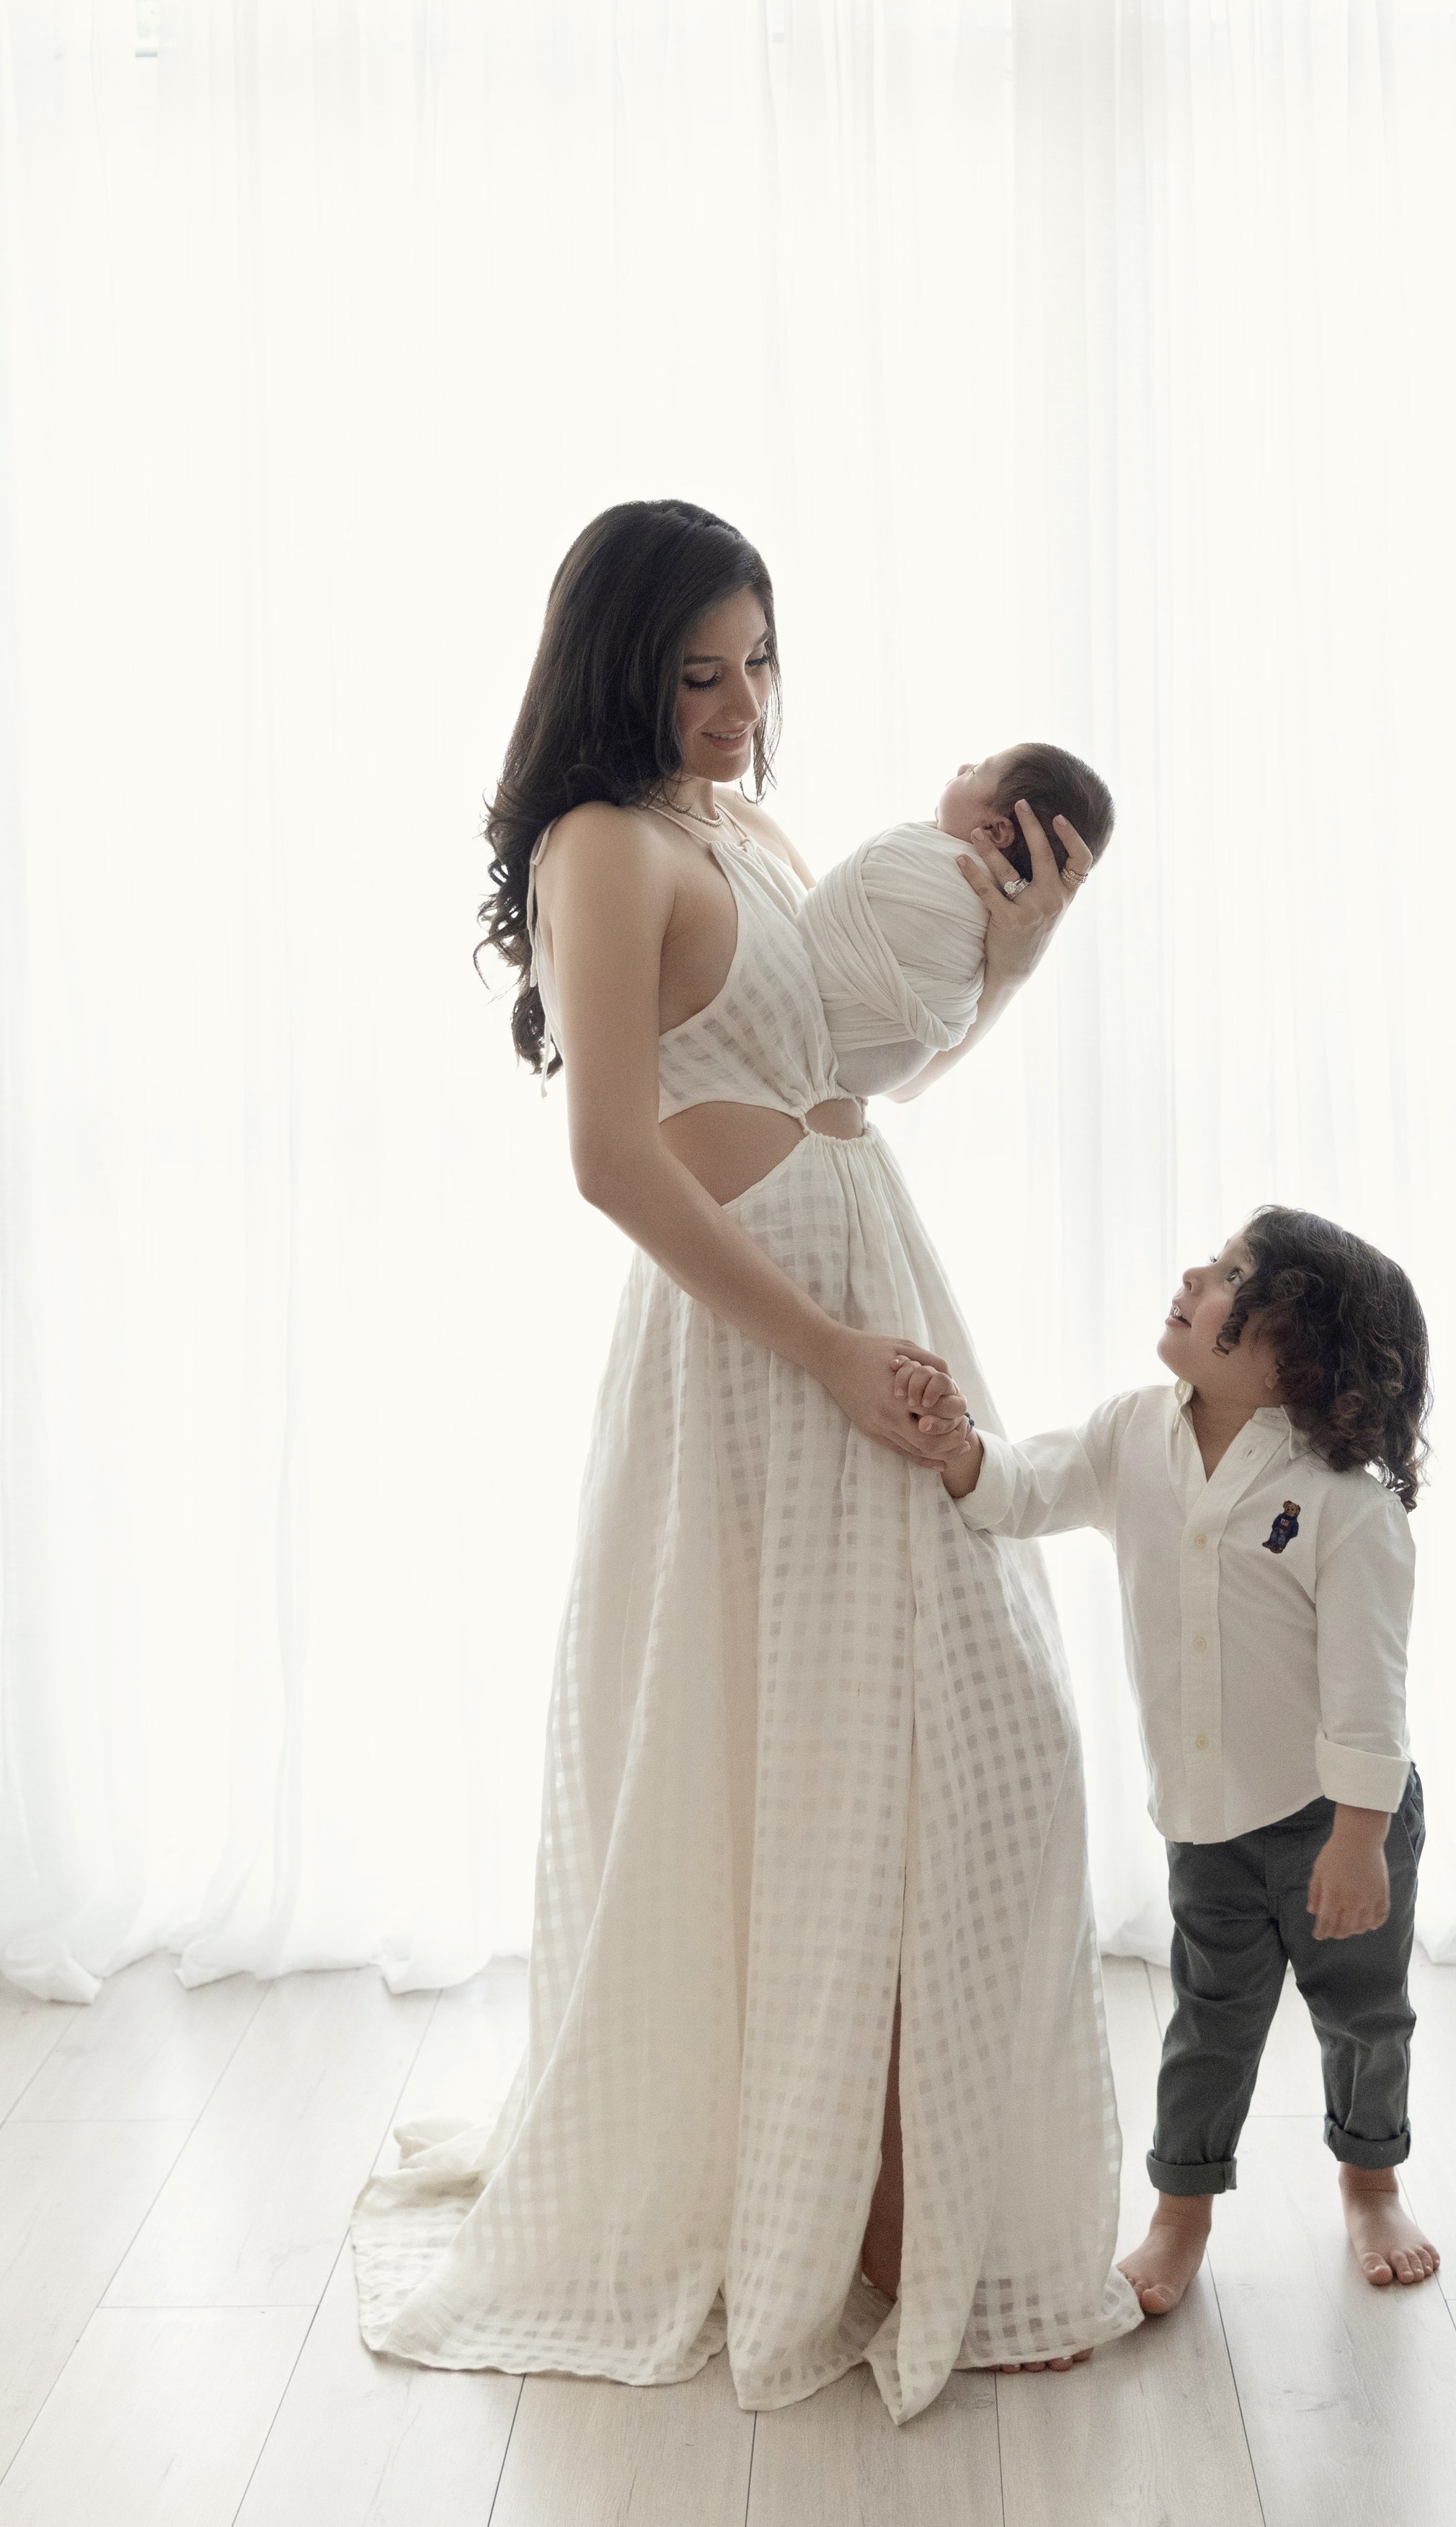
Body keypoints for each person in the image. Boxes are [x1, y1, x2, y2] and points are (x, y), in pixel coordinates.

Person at [349, 500, 1141, 2425]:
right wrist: (827, 1355)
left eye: (758, 663)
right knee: (819, 1761)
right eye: (697, 671)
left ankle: (923, 2203)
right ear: (619, 668)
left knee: (984, 1748)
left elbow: (835, 1091)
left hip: (867, 1312)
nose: (735, 704)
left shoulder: (749, 831)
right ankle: (865, 2218)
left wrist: (1012, 969)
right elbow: (613, 1154)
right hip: (764, 1358)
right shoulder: (601, 846)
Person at [900, 1205, 1441, 2301]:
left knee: (1364, 2013)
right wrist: (960, 1452)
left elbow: (1367, 1689)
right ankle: (1180, 2213)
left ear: (1299, 1353)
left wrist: (1358, 1838)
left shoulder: (1344, 1506)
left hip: (1335, 1823)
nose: (1195, 1273)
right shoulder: (1132, 1433)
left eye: (1235, 1274)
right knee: (1209, 2022)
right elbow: (1025, 1487)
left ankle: (1371, 2180)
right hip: (1204, 1821)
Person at [794, 744, 1115, 1096]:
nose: (964, 766)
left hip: (826, 1059)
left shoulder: (916, 856)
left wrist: (1012, 972)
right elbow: (903, 1088)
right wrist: (1009, 973)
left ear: (996, 832)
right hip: (880, 1072)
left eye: (977, 771)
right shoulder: (995, 908)